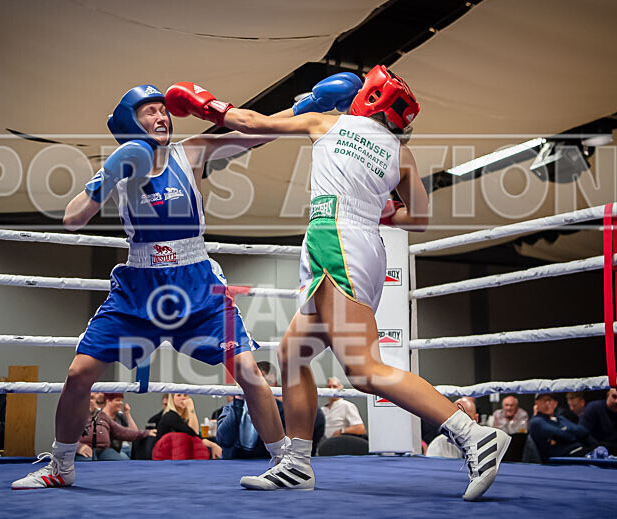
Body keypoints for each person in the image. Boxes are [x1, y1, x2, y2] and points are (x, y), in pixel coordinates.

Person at [165, 64, 510, 501]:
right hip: (365, 246)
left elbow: (250, 123)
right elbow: (419, 220)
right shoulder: (402, 155)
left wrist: (203, 103)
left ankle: (474, 435)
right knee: (291, 355)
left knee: (364, 369)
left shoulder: (328, 122)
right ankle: (297, 463)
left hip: (335, 240)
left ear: (369, 99)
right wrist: (379, 211)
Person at [12, 79, 353, 488]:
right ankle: (61, 466)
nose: (161, 116)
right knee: (78, 373)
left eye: (163, 109)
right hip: (138, 286)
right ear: (128, 123)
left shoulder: (189, 152)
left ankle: (288, 462)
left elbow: (254, 135)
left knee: (247, 370)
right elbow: (72, 218)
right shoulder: (119, 167)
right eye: (149, 111)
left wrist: (309, 106)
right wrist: (105, 177)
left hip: (196, 281)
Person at [216, 362, 287, 459]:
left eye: (268, 382)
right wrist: (238, 400)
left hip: (265, 462)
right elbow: (224, 441)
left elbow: (284, 444)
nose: (262, 386)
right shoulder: (231, 407)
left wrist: (266, 405)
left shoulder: (280, 409)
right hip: (232, 462)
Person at [77, 393, 152, 461]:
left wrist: (146, 432)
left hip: (104, 450)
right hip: (82, 450)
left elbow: (122, 432)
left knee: (123, 464)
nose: (89, 401)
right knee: (87, 465)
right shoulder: (72, 417)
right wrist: (78, 447)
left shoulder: (102, 416)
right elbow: (65, 438)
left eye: (92, 398)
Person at [528, 393, 593, 461]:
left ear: (555, 404)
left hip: (579, 450)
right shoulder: (536, 421)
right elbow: (563, 434)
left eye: (550, 400)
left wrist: (564, 432)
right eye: (543, 400)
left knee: (601, 446)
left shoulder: (560, 418)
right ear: (536, 403)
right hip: (562, 458)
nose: (547, 403)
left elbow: (583, 431)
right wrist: (571, 433)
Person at [156, 393, 221, 459]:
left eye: (185, 395)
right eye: (179, 395)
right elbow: (194, 434)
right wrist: (191, 408)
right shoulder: (170, 416)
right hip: (164, 457)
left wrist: (213, 445)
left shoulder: (183, 418)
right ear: (172, 399)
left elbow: (195, 436)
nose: (183, 398)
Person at [579, 388, 617, 456]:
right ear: (608, 395)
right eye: (614, 396)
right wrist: (600, 447)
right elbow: (582, 433)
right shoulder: (594, 408)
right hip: (595, 454)